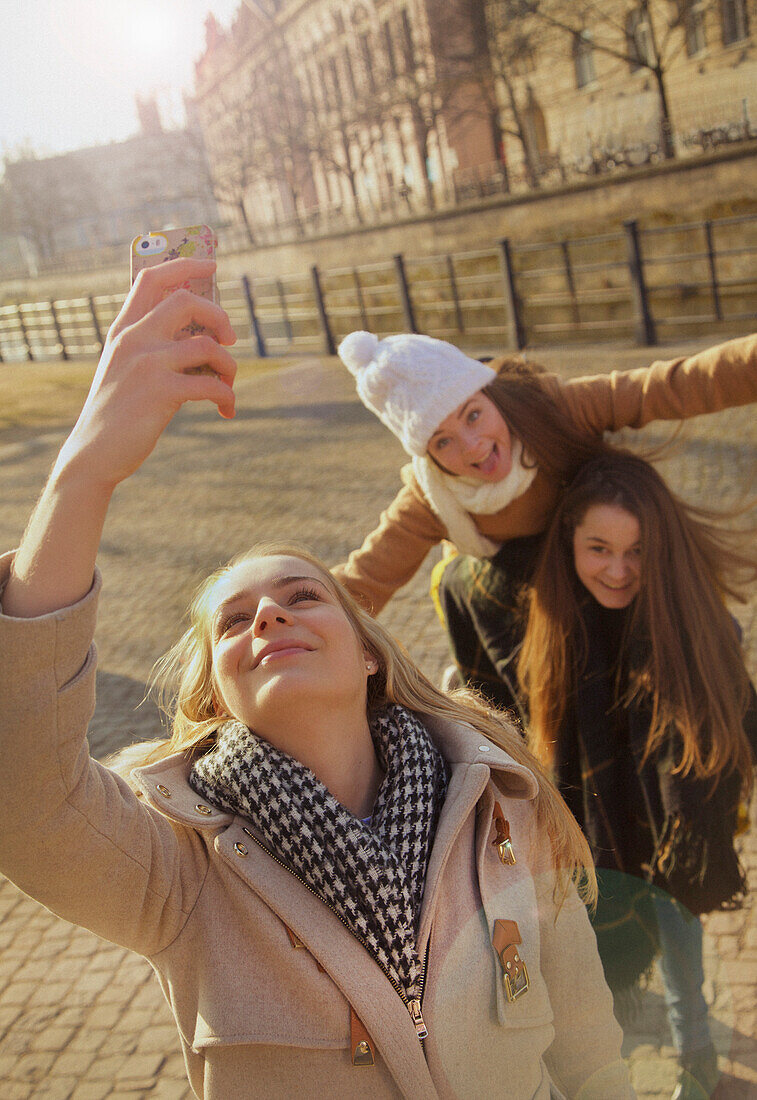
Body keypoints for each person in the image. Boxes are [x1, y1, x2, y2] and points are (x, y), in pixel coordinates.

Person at [0, 258, 635, 1099]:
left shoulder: (500, 799)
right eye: (234, 621)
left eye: (302, 597)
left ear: (369, 652)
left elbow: (589, 1050)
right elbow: (27, 794)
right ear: (216, 692)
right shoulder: (176, 869)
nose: (268, 617)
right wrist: (85, 469)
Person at [334, 329, 757, 711]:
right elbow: (366, 578)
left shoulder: (554, 408)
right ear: (427, 455)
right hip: (527, 594)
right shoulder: (431, 497)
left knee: (689, 637)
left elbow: (668, 386)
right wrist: (288, 626)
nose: (473, 445)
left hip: (600, 552)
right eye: (442, 441)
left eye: (473, 414)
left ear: (489, 393)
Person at [516, 451, 757, 1100]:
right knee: (605, 979)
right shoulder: (553, 628)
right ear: (568, 540)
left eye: (636, 552)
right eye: (598, 548)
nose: (617, 571)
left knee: (684, 973)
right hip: (596, 847)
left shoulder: (698, 625)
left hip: (677, 847)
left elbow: (739, 732)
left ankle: (696, 1064)